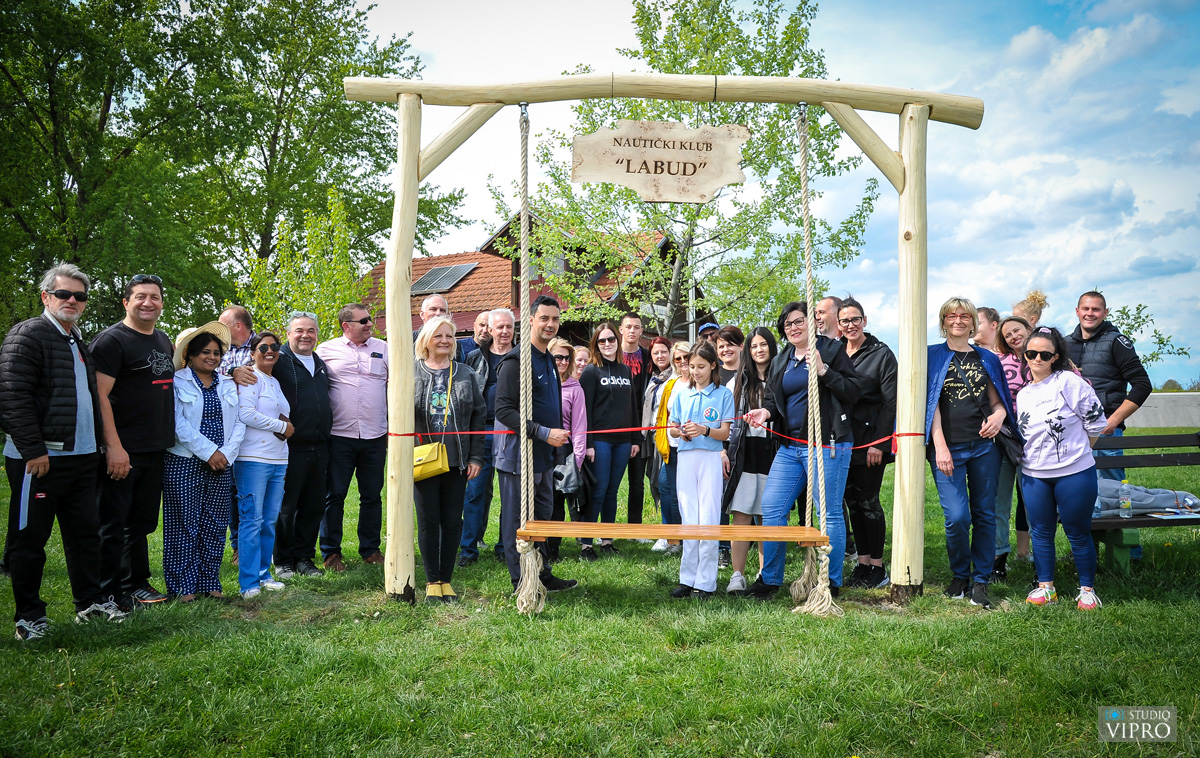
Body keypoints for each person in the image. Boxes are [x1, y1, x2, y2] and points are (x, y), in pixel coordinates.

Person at [2, 263, 125, 639]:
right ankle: (30, 618)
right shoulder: (28, 335)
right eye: (63, 294)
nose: (72, 300)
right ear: (45, 296)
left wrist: (102, 447)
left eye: (79, 296)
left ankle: (89, 604)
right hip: (39, 461)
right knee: (29, 539)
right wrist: (33, 449)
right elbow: (11, 395)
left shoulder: (76, 340)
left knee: (85, 535)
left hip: (82, 459)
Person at [743, 301, 860, 600]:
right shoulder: (783, 359)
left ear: (812, 322)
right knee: (772, 508)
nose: (793, 328)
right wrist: (765, 414)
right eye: (788, 325)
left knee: (829, 513)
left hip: (827, 443)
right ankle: (769, 579)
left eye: (799, 322)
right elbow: (773, 399)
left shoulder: (832, 350)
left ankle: (830, 581)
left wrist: (823, 371)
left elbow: (854, 391)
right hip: (791, 446)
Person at [926, 297, 1018, 610]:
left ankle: (981, 580)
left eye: (965, 315)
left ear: (972, 322)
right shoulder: (931, 356)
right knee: (956, 517)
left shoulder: (986, 358)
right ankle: (959, 574)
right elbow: (930, 404)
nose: (958, 320)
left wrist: (999, 416)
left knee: (984, 514)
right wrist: (939, 445)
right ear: (943, 321)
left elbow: (997, 400)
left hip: (984, 448)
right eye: (952, 315)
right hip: (948, 448)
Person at [91, 273, 175, 609]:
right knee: (114, 525)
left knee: (139, 523)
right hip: (122, 448)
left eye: (154, 297)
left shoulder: (162, 340)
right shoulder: (112, 341)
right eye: (140, 296)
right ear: (126, 302)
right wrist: (114, 447)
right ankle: (109, 592)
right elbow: (100, 397)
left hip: (155, 448)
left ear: (161, 304)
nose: (147, 302)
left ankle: (136, 583)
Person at [1018, 327, 1108, 611]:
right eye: (1031, 353)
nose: (1037, 359)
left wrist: (1076, 454)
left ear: (1055, 357)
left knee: (1077, 532)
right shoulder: (1023, 393)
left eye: (1045, 354)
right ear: (1025, 355)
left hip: (1074, 472)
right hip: (1034, 474)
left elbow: (1095, 423)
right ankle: (1046, 588)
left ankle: (1087, 590)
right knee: (1041, 532)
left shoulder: (1068, 381)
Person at [494, 295, 578, 593]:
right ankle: (521, 582)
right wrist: (543, 433)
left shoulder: (548, 359)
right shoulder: (515, 361)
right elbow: (503, 410)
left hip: (544, 456)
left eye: (555, 319)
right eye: (544, 318)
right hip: (518, 457)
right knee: (518, 521)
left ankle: (542, 574)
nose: (550, 324)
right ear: (530, 320)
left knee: (542, 517)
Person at [163, 323, 245, 602]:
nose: (211, 357)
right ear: (190, 355)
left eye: (216, 353)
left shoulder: (227, 383)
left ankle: (209, 582)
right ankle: (182, 587)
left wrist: (225, 455)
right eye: (204, 353)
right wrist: (209, 452)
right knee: (184, 523)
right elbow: (177, 424)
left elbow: (239, 422)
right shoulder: (177, 382)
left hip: (222, 464)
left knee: (214, 523)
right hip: (185, 461)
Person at [412, 316, 485, 603]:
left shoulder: (466, 373)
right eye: (438, 336)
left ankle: (446, 580)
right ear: (425, 340)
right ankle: (432, 581)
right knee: (428, 520)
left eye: (450, 336)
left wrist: (477, 456)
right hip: (422, 459)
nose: (444, 341)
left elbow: (479, 418)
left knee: (453, 520)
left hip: (458, 458)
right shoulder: (411, 373)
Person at [317, 304, 387, 575]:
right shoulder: (325, 350)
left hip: (374, 435)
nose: (370, 324)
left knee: (372, 496)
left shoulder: (383, 348)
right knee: (334, 495)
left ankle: (370, 550)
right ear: (346, 325)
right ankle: (331, 553)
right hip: (340, 436)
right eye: (363, 321)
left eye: (370, 320)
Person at [837, 299, 897, 589]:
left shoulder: (881, 354)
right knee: (852, 503)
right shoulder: (835, 353)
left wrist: (880, 443)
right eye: (845, 321)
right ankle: (862, 564)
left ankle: (877, 566)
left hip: (870, 440)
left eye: (855, 319)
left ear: (865, 320)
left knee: (868, 502)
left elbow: (891, 401)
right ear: (838, 324)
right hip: (843, 440)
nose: (851, 325)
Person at [667, 341, 734, 599]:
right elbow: (672, 427)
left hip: (709, 458)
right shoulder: (682, 394)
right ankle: (687, 578)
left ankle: (705, 582)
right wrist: (680, 432)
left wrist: (705, 429)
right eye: (691, 366)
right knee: (688, 516)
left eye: (701, 366)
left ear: (713, 365)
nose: (695, 371)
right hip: (685, 457)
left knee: (707, 516)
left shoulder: (723, 394)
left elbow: (724, 432)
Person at [269, 312, 334, 577]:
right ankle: (283, 560)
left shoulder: (319, 363)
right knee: (287, 507)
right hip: (290, 447)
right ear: (288, 334)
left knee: (314, 506)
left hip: (320, 446)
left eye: (311, 330)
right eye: (299, 330)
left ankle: (304, 558)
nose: (305, 335)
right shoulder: (278, 360)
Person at [1066, 291, 1152, 482]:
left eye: (1096, 309)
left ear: (1105, 313)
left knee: (1111, 493)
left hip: (1105, 431)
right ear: (1077, 311)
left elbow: (1142, 385)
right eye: (1085, 308)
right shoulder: (1065, 344)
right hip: (1072, 432)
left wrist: (1112, 421)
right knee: (1074, 492)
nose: (1090, 313)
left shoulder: (1117, 342)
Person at [235, 331, 293, 599]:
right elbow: (246, 414)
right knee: (252, 520)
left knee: (269, 521)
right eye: (263, 347)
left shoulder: (274, 381)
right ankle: (248, 583)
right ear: (252, 351)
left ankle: (263, 574)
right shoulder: (249, 377)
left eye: (274, 346)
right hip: (252, 460)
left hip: (278, 459)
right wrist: (282, 426)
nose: (269, 351)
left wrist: (282, 427)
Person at [721, 327, 778, 594]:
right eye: (754, 346)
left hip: (775, 453)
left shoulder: (782, 379)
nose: (759, 350)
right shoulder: (738, 382)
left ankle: (764, 574)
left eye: (763, 345)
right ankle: (737, 574)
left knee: (767, 515)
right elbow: (727, 422)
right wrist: (724, 450)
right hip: (745, 452)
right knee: (742, 514)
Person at [459, 307, 516, 566]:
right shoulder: (473, 358)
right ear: (490, 330)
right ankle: (468, 550)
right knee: (474, 493)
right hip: (480, 434)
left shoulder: (522, 359)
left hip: (511, 435)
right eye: (499, 327)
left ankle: (505, 547)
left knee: (509, 495)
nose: (504, 331)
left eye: (509, 327)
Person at [578, 321, 639, 560]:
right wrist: (589, 443)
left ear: (617, 341)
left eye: (610, 340)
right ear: (596, 345)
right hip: (600, 442)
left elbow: (632, 407)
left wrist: (635, 438)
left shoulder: (625, 370)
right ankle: (586, 544)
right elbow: (584, 410)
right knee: (598, 490)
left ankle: (607, 540)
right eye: (601, 341)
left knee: (613, 491)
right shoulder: (592, 371)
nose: (607, 344)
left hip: (623, 441)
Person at [993, 315, 1034, 572]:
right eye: (1007, 335)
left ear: (1029, 329)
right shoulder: (999, 362)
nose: (1013, 337)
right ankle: (998, 559)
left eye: (1017, 330)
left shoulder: (1049, 359)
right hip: (1005, 439)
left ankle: (1037, 557)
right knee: (999, 500)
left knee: (1033, 500)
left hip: (1038, 442)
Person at [218, 305, 256, 567]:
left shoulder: (265, 345)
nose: (220, 331)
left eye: (224, 325)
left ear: (238, 326)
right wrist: (232, 373)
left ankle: (262, 545)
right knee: (233, 492)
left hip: (258, 433)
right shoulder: (220, 350)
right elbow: (206, 372)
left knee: (255, 491)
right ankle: (237, 548)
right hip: (229, 430)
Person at [548, 336, 587, 562]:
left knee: (557, 500)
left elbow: (580, 425)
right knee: (541, 499)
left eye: (566, 357)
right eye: (558, 357)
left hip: (564, 451)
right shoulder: (540, 382)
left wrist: (578, 458)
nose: (562, 361)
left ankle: (554, 548)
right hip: (541, 448)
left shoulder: (575, 388)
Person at [650, 341, 690, 554]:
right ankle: (669, 533)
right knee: (664, 486)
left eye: (686, 357)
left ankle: (679, 540)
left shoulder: (699, 381)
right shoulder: (671, 384)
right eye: (678, 358)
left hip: (691, 448)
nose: (683, 362)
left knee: (677, 493)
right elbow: (662, 414)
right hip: (670, 445)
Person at [618, 312, 652, 532]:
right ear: (620, 329)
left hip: (640, 428)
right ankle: (601, 530)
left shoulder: (648, 357)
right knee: (606, 483)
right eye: (628, 326)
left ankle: (635, 529)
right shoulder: (611, 355)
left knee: (637, 483)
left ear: (641, 331)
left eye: (636, 327)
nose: (632, 330)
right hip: (613, 428)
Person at [641, 336, 673, 536]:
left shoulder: (674, 378)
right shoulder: (654, 377)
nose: (660, 356)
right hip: (652, 439)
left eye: (663, 351)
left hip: (669, 439)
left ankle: (669, 532)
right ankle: (666, 530)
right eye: (656, 353)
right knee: (656, 482)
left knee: (665, 484)